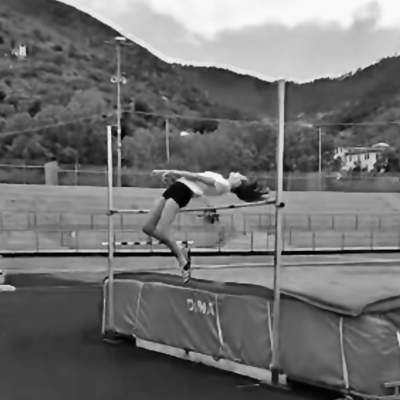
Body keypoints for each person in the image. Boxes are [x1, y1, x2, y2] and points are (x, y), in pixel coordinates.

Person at [142, 170, 270, 283]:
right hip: (177, 187)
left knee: (162, 229)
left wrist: (172, 172)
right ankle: (180, 250)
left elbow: (196, 177)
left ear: (238, 183)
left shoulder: (224, 184)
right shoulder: (222, 181)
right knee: (148, 228)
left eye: (239, 176)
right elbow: (196, 181)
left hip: (181, 191)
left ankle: (181, 258)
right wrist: (169, 176)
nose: (237, 173)